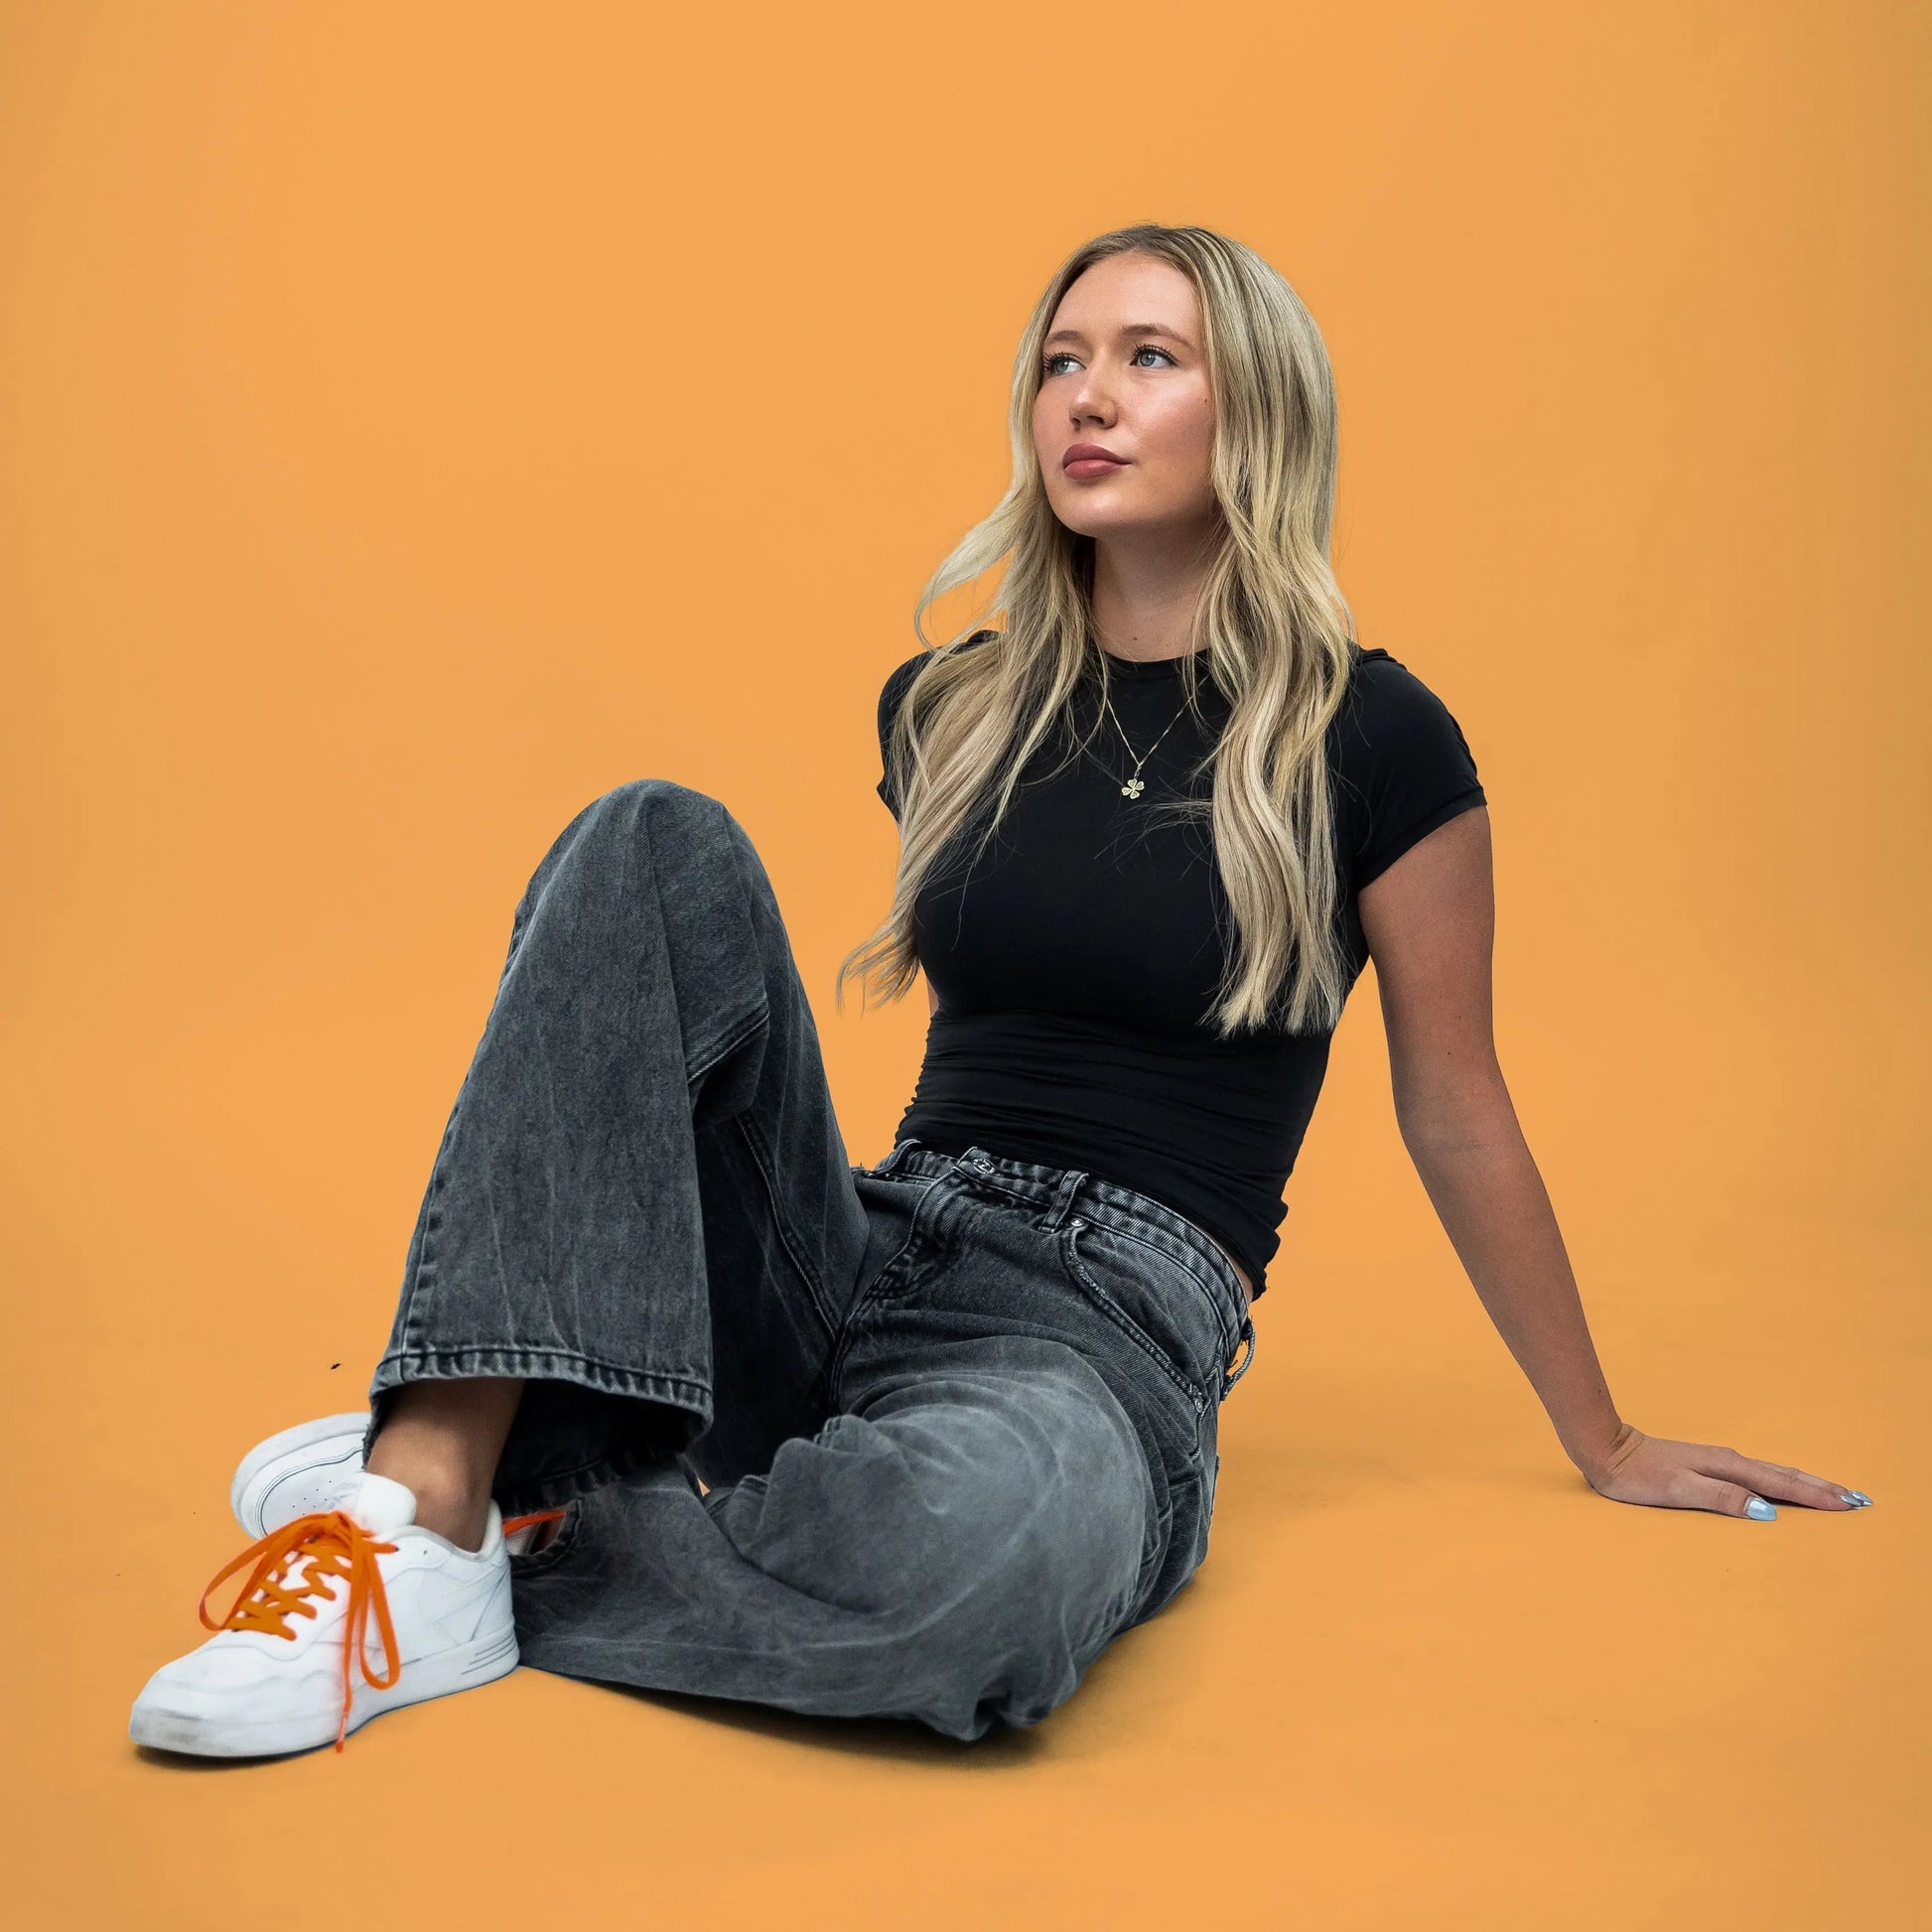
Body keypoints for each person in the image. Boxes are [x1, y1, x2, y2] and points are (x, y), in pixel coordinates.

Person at [129, 223, 1871, 1761]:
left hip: (1098, 1338)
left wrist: (1604, 1434)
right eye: (1059, 361)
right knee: (651, 838)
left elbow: (1455, 1102)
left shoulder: (1375, 738)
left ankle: (528, 1495)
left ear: (1256, 411)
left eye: (1148, 357)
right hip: (861, 1243)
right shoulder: (950, 708)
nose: (1084, 398)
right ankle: (430, 1491)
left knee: (979, 1576)